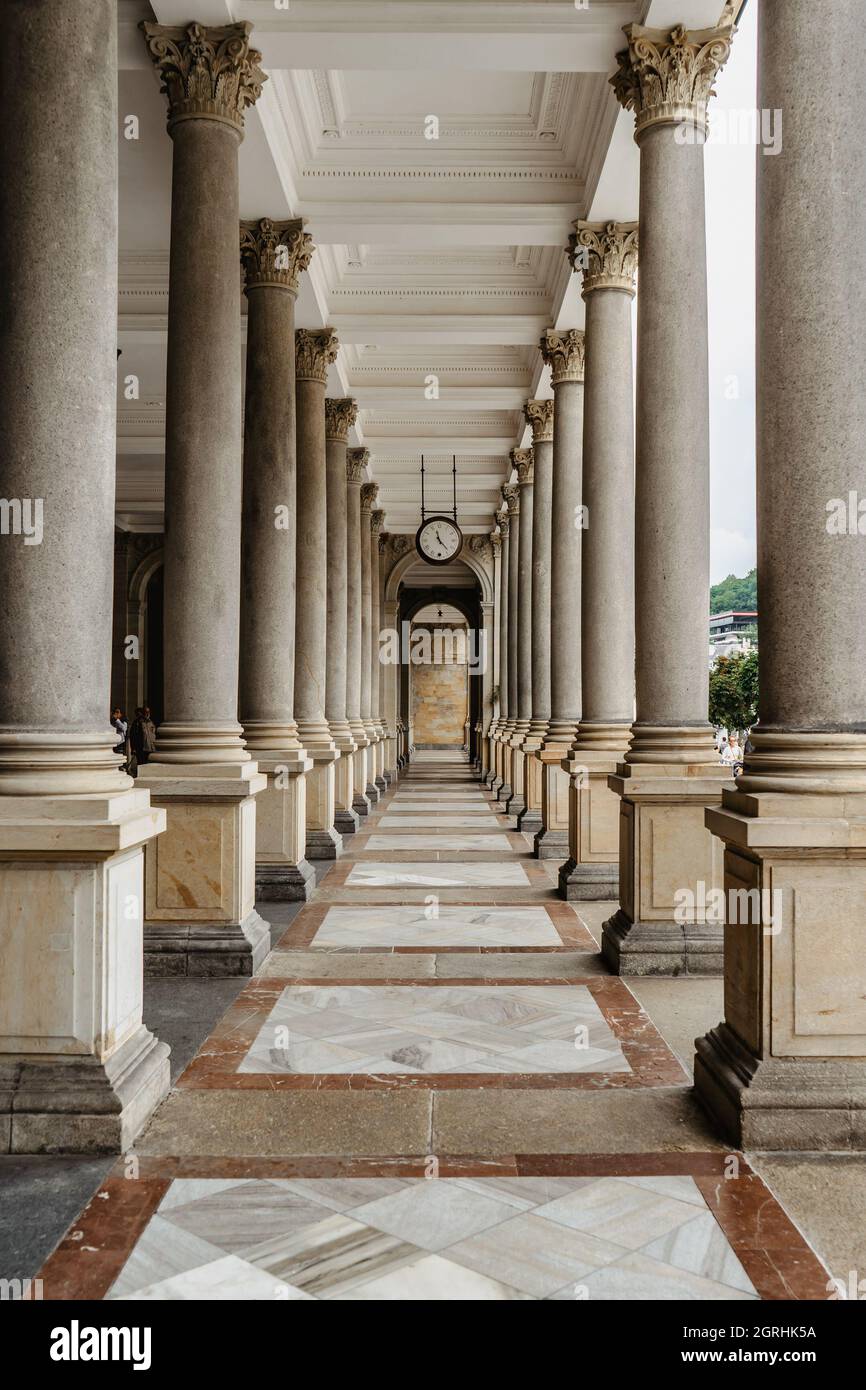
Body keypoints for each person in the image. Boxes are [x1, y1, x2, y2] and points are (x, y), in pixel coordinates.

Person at [129, 704, 157, 771]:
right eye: (146, 712)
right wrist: (133, 748)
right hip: (141, 748)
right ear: (142, 713)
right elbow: (133, 736)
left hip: (151, 748)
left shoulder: (151, 722)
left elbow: (153, 734)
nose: (147, 714)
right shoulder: (137, 722)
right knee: (141, 764)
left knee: (149, 765)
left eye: (148, 712)